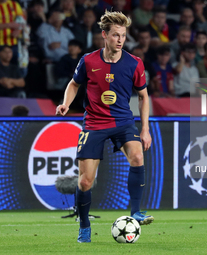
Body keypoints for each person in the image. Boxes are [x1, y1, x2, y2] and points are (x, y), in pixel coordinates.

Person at [55, 11, 153, 243]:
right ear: (104, 35)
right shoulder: (88, 61)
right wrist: (65, 104)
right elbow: (73, 84)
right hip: (94, 124)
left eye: (123, 35)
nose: (120, 40)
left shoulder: (134, 63)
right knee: (85, 181)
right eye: (116, 35)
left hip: (123, 122)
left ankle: (136, 211)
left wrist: (145, 129)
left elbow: (143, 97)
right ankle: (85, 226)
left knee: (137, 156)